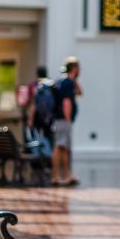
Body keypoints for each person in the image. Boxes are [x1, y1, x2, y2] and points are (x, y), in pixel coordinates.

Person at [51, 57, 81, 187]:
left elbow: (80, 92)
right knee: (59, 147)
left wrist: (75, 79)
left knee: (64, 148)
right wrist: (68, 119)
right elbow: (66, 102)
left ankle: (66, 175)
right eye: (78, 68)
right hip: (64, 120)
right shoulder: (67, 83)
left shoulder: (62, 81)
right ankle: (56, 176)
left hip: (59, 120)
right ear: (74, 68)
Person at [27, 65, 55, 146]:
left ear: (37, 74)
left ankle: (38, 155)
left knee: (35, 138)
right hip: (49, 117)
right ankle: (49, 155)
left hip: (37, 116)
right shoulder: (51, 84)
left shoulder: (34, 85)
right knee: (49, 137)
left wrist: (30, 118)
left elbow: (33, 103)